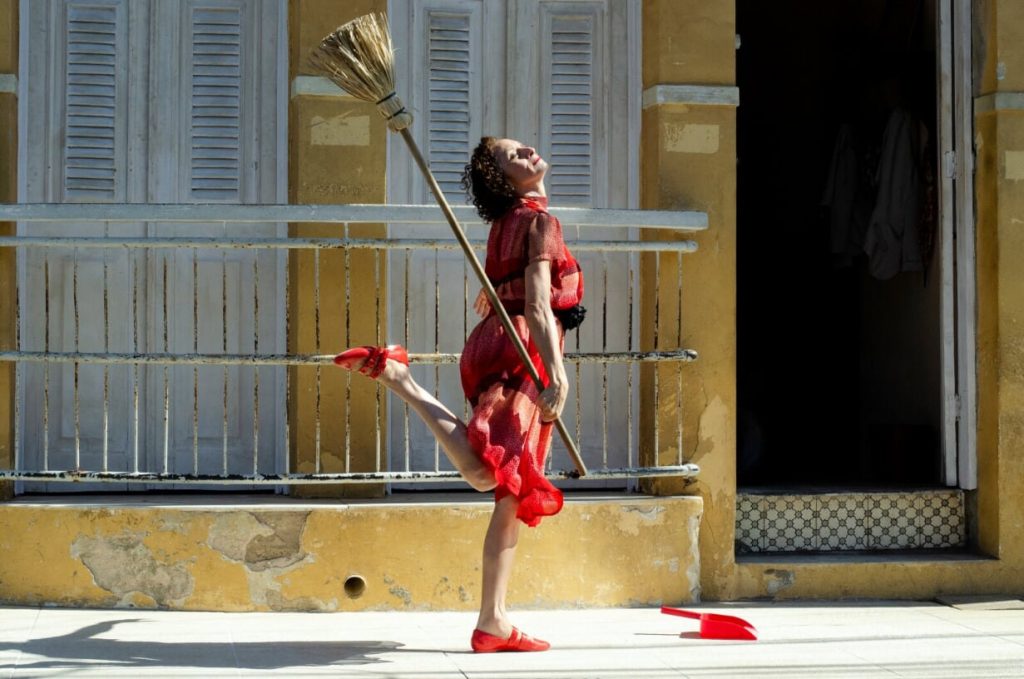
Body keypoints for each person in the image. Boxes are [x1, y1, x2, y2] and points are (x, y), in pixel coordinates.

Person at [334, 137, 584, 653]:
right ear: (502, 178)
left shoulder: (504, 225)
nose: (529, 151)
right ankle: (492, 621)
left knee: (489, 476)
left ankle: (401, 378)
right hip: (522, 349)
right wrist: (556, 374)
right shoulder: (540, 222)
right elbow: (538, 307)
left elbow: (505, 288)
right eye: (513, 155)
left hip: (492, 343)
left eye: (524, 147)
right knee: (506, 488)